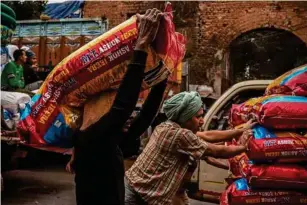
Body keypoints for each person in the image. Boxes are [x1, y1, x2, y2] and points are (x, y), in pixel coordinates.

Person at [67, 8, 164, 205]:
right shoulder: (89, 137)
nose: (113, 103)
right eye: (110, 99)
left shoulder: (108, 140)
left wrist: (161, 76)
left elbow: (143, 119)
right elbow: (122, 108)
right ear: (93, 105)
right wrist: (141, 46)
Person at [125, 91, 254, 205]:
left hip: (160, 193)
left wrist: (241, 130)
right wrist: (245, 146)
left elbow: (208, 135)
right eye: (198, 116)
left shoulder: (167, 127)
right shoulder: (179, 135)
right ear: (185, 118)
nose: (202, 121)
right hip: (137, 195)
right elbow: (215, 151)